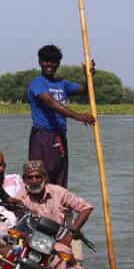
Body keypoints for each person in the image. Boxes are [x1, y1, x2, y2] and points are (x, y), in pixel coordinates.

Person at [26, 44, 95, 187]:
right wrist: (79, 116)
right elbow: (50, 102)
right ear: (40, 62)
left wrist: (88, 75)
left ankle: (60, 208)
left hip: (60, 136)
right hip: (43, 137)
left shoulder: (62, 83)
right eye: (45, 61)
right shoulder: (37, 83)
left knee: (60, 180)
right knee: (40, 178)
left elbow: (85, 90)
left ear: (58, 64)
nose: (49, 64)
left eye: (53, 62)